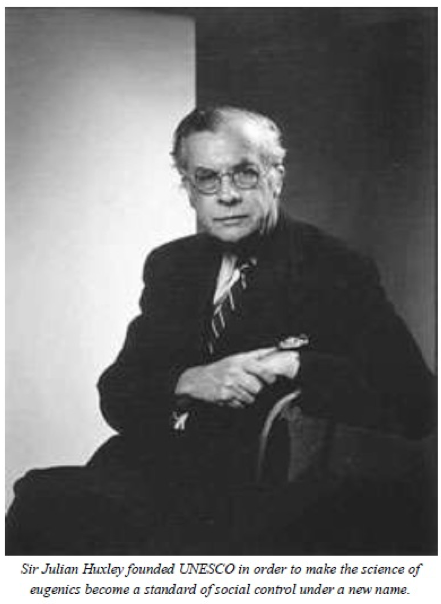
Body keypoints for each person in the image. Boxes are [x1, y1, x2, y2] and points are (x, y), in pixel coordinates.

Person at [6, 106, 435, 555]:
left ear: (276, 176)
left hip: (255, 494)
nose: (226, 195)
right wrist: (189, 381)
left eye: (244, 174)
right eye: (207, 178)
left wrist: (296, 364)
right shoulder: (172, 265)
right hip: (147, 471)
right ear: (189, 189)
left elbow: (416, 405)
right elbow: (118, 393)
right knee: (38, 504)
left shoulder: (333, 267)